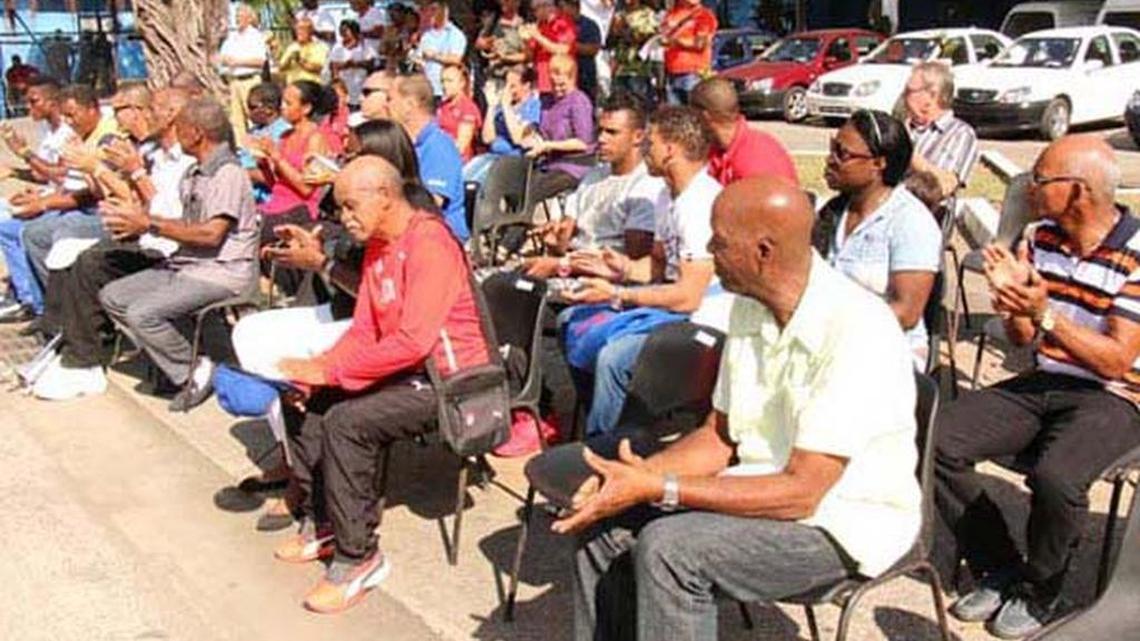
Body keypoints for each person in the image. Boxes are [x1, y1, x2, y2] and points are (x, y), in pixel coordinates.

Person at [565, 176, 921, 641]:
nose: (709, 251)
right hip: (763, 487)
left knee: (670, 550)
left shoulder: (857, 330)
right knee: (604, 522)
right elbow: (719, 437)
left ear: (763, 252)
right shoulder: (750, 307)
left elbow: (802, 492)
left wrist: (662, 487)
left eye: (720, 241)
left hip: (843, 522)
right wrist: (632, 480)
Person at [934, 135, 1140, 639]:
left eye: (1040, 180)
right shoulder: (1041, 236)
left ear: (1078, 191)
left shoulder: (1136, 253)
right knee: (937, 438)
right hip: (1048, 378)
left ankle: (1041, 590)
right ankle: (999, 565)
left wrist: (1043, 312)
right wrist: (1014, 303)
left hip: (1117, 396)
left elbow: (1116, 360)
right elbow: (1025, 339)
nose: (1028, 188)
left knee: (1057, 477)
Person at [270, 155, 489, 614]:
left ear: (385, 197)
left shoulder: (430, 244)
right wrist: (318, 370)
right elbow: (366, 330)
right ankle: (324, 522)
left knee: (348, 422)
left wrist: (330, 372)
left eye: (351, 206)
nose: (344, 218)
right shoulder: (379, 246)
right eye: (341, 208)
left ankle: (359, 557)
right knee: (304, 398)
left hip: (451, 381)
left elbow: (414, 340)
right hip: (409, 370)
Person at [230, 119, 440, 532]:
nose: (342, 159)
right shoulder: (347, 198)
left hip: (371, 319)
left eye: (353, 154)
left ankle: (303, 481)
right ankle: (295, 457)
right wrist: (313, 251)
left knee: (293, 363)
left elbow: (381, 296)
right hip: (342, 306)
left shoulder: (413, 214)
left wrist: (321, 263)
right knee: (251, 334)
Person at [565, 105, 729, 437]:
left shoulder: (700, 204)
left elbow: (689, 296)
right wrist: (619, 267)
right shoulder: (667, 195)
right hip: (670, 307)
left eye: (649, 142)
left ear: (670, 150)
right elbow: (657, 265)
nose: (643, 149)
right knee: (571, 320)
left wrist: (617, 293)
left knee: (614, 358)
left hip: (700, 319)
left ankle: (605, 446)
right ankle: (603, 418)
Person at [30, 87, 196, 401]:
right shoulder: (155, 153)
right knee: (78, 256)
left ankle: (85, 361)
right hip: (146, 233)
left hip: (170, 245)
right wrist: (100, 173)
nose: (146, 115)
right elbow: (130, 197)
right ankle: (66, 345)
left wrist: (105, 170)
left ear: (173, 115)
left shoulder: (187, 158)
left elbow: (166, 210)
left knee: (89, 262)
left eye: (152, 109)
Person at [97, 97, 259, 413]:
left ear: (197, 133)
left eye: (180, 126)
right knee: (113, 296)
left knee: (142, 313)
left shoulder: (227, 173)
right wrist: (136, 220)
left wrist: (150, 224)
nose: (175, 131)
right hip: (187, 264)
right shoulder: (195, 172)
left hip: (221, 272)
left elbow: (211, 234)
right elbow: (184, 222)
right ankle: (189, 357)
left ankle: (192, 371)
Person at [815, 110, 941, 367]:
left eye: (842, 153)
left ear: (878, 164)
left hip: (887, 352)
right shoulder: (833, 212)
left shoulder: (910, 222)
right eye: (832, 147)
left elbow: (906, 313)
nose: (830, 159)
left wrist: (835, 330)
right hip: (826, 342)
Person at [525, 91, 667, 277]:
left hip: (609, 280)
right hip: (572, 268)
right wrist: (555, 238)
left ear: (638, 136)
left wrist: (563, 264)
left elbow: (635, 257)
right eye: (600, 131)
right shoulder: (593, 176)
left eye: (612, 132)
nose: (601, 139)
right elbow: (564, 241)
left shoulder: (647, 185)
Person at [14, 84, 122, 315]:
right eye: (66, 116)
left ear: (92, 109)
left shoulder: (108, 137)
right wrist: (41, 196)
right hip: (78, 202)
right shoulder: (77, 136)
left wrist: (44, 202)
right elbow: (66, 181)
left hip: (100, 211)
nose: (69, 122)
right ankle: (50, 308)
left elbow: (93, 193)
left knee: (58, 230)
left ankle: (65, 311)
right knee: (31, 231)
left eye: (72, 115)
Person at [0, 78, 75, 322]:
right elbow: (44, 175)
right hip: (51, 196)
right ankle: (22, 293)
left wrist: (24, 153)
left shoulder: (67, 133)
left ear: (52, 102)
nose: (28, 106)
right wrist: (16, 173)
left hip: (65, 202)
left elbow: (60, 175)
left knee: (13, 228)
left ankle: (33, 301)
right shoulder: (48, 131)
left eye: (34, 101)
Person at [247, 80, 334, 244]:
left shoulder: (315, 138)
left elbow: (306, 188)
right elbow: (276, 183)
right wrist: (264, 164)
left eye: (288, 103)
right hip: (275, 205)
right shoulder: (285, 136)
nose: (282, 107)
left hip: (299, 209)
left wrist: (277, 158)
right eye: (282, 102)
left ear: (306, 108)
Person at [389, 72, 468, 241]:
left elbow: (431, 203)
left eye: (391, 100)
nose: (386, 106)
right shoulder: (405, 143)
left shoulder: (439, 146)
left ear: (410, 105)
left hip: (437, 237)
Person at [689, 77, 798, 187]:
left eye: (692, 115)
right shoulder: (718, 150)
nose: (692, 121)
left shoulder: (754, 161)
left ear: (705, 117)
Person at [525, 55, 595, 207]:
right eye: (553, 84)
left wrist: (548, 145)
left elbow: (583, 143)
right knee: (517, 184)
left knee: (531, 192)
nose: (557, 89)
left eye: (562, 85)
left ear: (573, 78)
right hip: (548, 163)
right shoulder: (547, 101)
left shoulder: (579, 101)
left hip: (573, 166)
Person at [904, 62, 979, 204]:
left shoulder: (960, 134)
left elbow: (943, 186)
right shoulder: (903, 127)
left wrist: (906, 151)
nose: (903, 95)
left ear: (932, 96)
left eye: (909, 90)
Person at [463, 64, 540, 184]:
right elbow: (487, 139)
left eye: (513, 86)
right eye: (506, 85)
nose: (507, 90)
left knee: (476, 183)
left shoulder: (532, 106)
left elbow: (518, 138)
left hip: (513, 160)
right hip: (492, 156)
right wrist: (491, 107)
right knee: (463, 177)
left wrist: (506, 106)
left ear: (526, 85)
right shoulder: (501, 107)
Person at [216, 3, 269, 147]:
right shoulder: (233, 37)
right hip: (234, 81)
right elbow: (222, 56)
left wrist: (238, 62)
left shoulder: (255, 36)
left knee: (254, 116)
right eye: (236, 16)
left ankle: (258, 146)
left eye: (240, 16)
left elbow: (260, 61)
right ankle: (241, 148)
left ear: (249, 18)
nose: (237, 19)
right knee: (237, 120)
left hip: (249, 80)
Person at [238, 83, 290, 206]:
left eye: (252, 107)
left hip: (269, 200)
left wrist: (248, 174)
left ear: (269, 109)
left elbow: (280, 176)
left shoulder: (284, 133)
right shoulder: (254, 131)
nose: (248, 112)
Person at [660, 0, 717, 105]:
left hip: (693, 71)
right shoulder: (671, 14)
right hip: (671, 70)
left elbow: (700, 44)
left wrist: (676, 41)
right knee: (675, 112)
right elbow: (664, 36)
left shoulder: (703, 15)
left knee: (694, 109)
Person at [519, 0, 577, 95]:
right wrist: (526, 42)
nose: (535, 13)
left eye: (536, 9)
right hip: (541, 84)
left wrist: (537, 36)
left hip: (560, 84)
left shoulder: (564, 22)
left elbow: (563, 50)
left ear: (546, 6)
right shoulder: (539, 26)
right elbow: (529, 57)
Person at [414, 1, 468, 101]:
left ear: (444, 11)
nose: (431, 13)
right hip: (427, 88)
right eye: (429, 10)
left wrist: (434, 56)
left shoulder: (455, 34)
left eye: (434, 10)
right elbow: (420, 57)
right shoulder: (427, 35)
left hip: (445, 90)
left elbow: (456, 59)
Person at [474, 0, 527, 88]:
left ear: (517, 3)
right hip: (493, 75)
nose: (502, 2)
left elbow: (527, 56)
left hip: (515, 77)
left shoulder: (523, 24)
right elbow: (478, 43)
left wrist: (505, 57)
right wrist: (486, 44)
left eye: (507, 1)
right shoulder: (493, 21)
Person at [328, 20, 378, 111]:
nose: (342, 33)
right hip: (344, 87)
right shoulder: (337, 47)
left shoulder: (364, 46)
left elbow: (371, 63)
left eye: (345, 30)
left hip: (361, 86)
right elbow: (333, 65)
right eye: (341, 30)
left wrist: (356, 64)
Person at [437, 64, 482, 162]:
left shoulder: (467, 108)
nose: (444, 85)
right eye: (442, 81)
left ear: (462, 83)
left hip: (457, 161)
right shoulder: (442, 106)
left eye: (449, 81)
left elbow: (461, 146)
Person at [558, 0, 602, 100]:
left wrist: (571, 46)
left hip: (585, 75)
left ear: (574, 7)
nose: (561, 11)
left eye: (563, 7)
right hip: (565, 75)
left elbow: (594, 49)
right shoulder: (559, 25)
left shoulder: (589, 25)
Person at [278, 17, 330, 86]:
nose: (299, 32)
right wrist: (288, 60)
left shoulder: (319, 47)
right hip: (292, 84)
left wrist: (299, 60)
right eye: (297, 29)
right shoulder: (292, 47)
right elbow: (281, 68)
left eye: (302, 29)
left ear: (310, 32)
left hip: (310, 84)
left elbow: (318, 68)